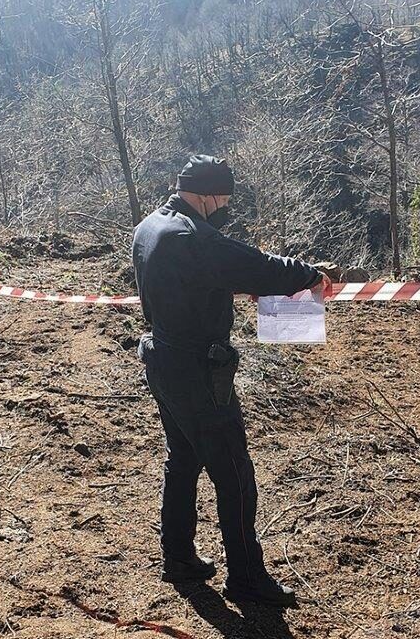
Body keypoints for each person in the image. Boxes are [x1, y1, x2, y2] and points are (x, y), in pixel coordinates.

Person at [132, 155, 329, 607]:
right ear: (204, 194)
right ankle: (246, 579)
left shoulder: (151, 226)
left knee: (182, 459)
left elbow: (211, 276)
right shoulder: (192, 238)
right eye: (223, 198)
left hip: (162, 359)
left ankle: (178, 556)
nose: (225, 207)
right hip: (199, 371)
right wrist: (310, 275)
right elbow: (257, 266)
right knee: (235, 475)